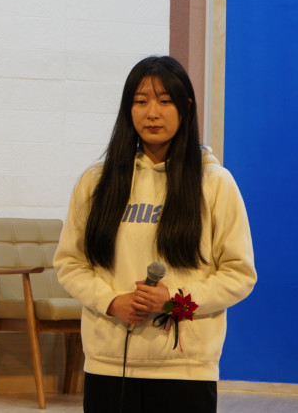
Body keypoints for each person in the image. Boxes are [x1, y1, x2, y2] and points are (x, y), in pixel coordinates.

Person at [54, 56, 257, 412]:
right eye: (140, 101)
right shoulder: (96, 182)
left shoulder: (215, 183)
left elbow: (238, 274)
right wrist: (111, 302)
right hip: (108, 364)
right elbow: (71, 264)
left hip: (186, 368)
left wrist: (174, 301)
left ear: (186, 107)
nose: (152, 113)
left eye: (165, 101)